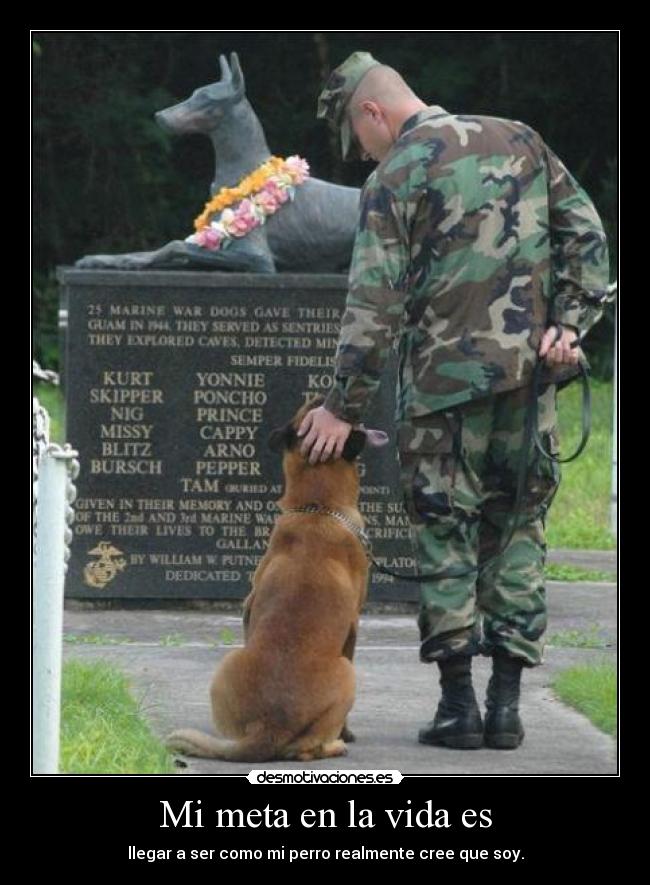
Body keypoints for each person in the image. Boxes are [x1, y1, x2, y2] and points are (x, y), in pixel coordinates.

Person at [298, 51, 610, 750]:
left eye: (360, 139)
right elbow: (587, 238)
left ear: (372, 112)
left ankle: (457, 709)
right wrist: (570, 325)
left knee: (448, 538)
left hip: (441, 397)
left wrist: (341, 404)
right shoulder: (522, 139)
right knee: (519, 534)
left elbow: (372, 303)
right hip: (529, 386)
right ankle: (507, 708)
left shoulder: (395, 176)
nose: (364, 154)